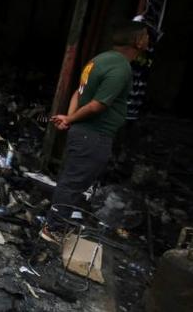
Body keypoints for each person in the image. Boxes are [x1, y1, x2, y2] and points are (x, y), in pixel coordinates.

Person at [40, 20, 150, 244]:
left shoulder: (98, 60)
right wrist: (70, 118)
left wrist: (69, 119)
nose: (148, 40)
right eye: (146, 36)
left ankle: (55, 224)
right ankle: (53, 229)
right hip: (94, 135)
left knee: (71, 180)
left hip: (83, 132)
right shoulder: (120, 67)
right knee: (74, 183)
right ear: (137, 41)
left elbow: (78, 94)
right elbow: (98, 105)